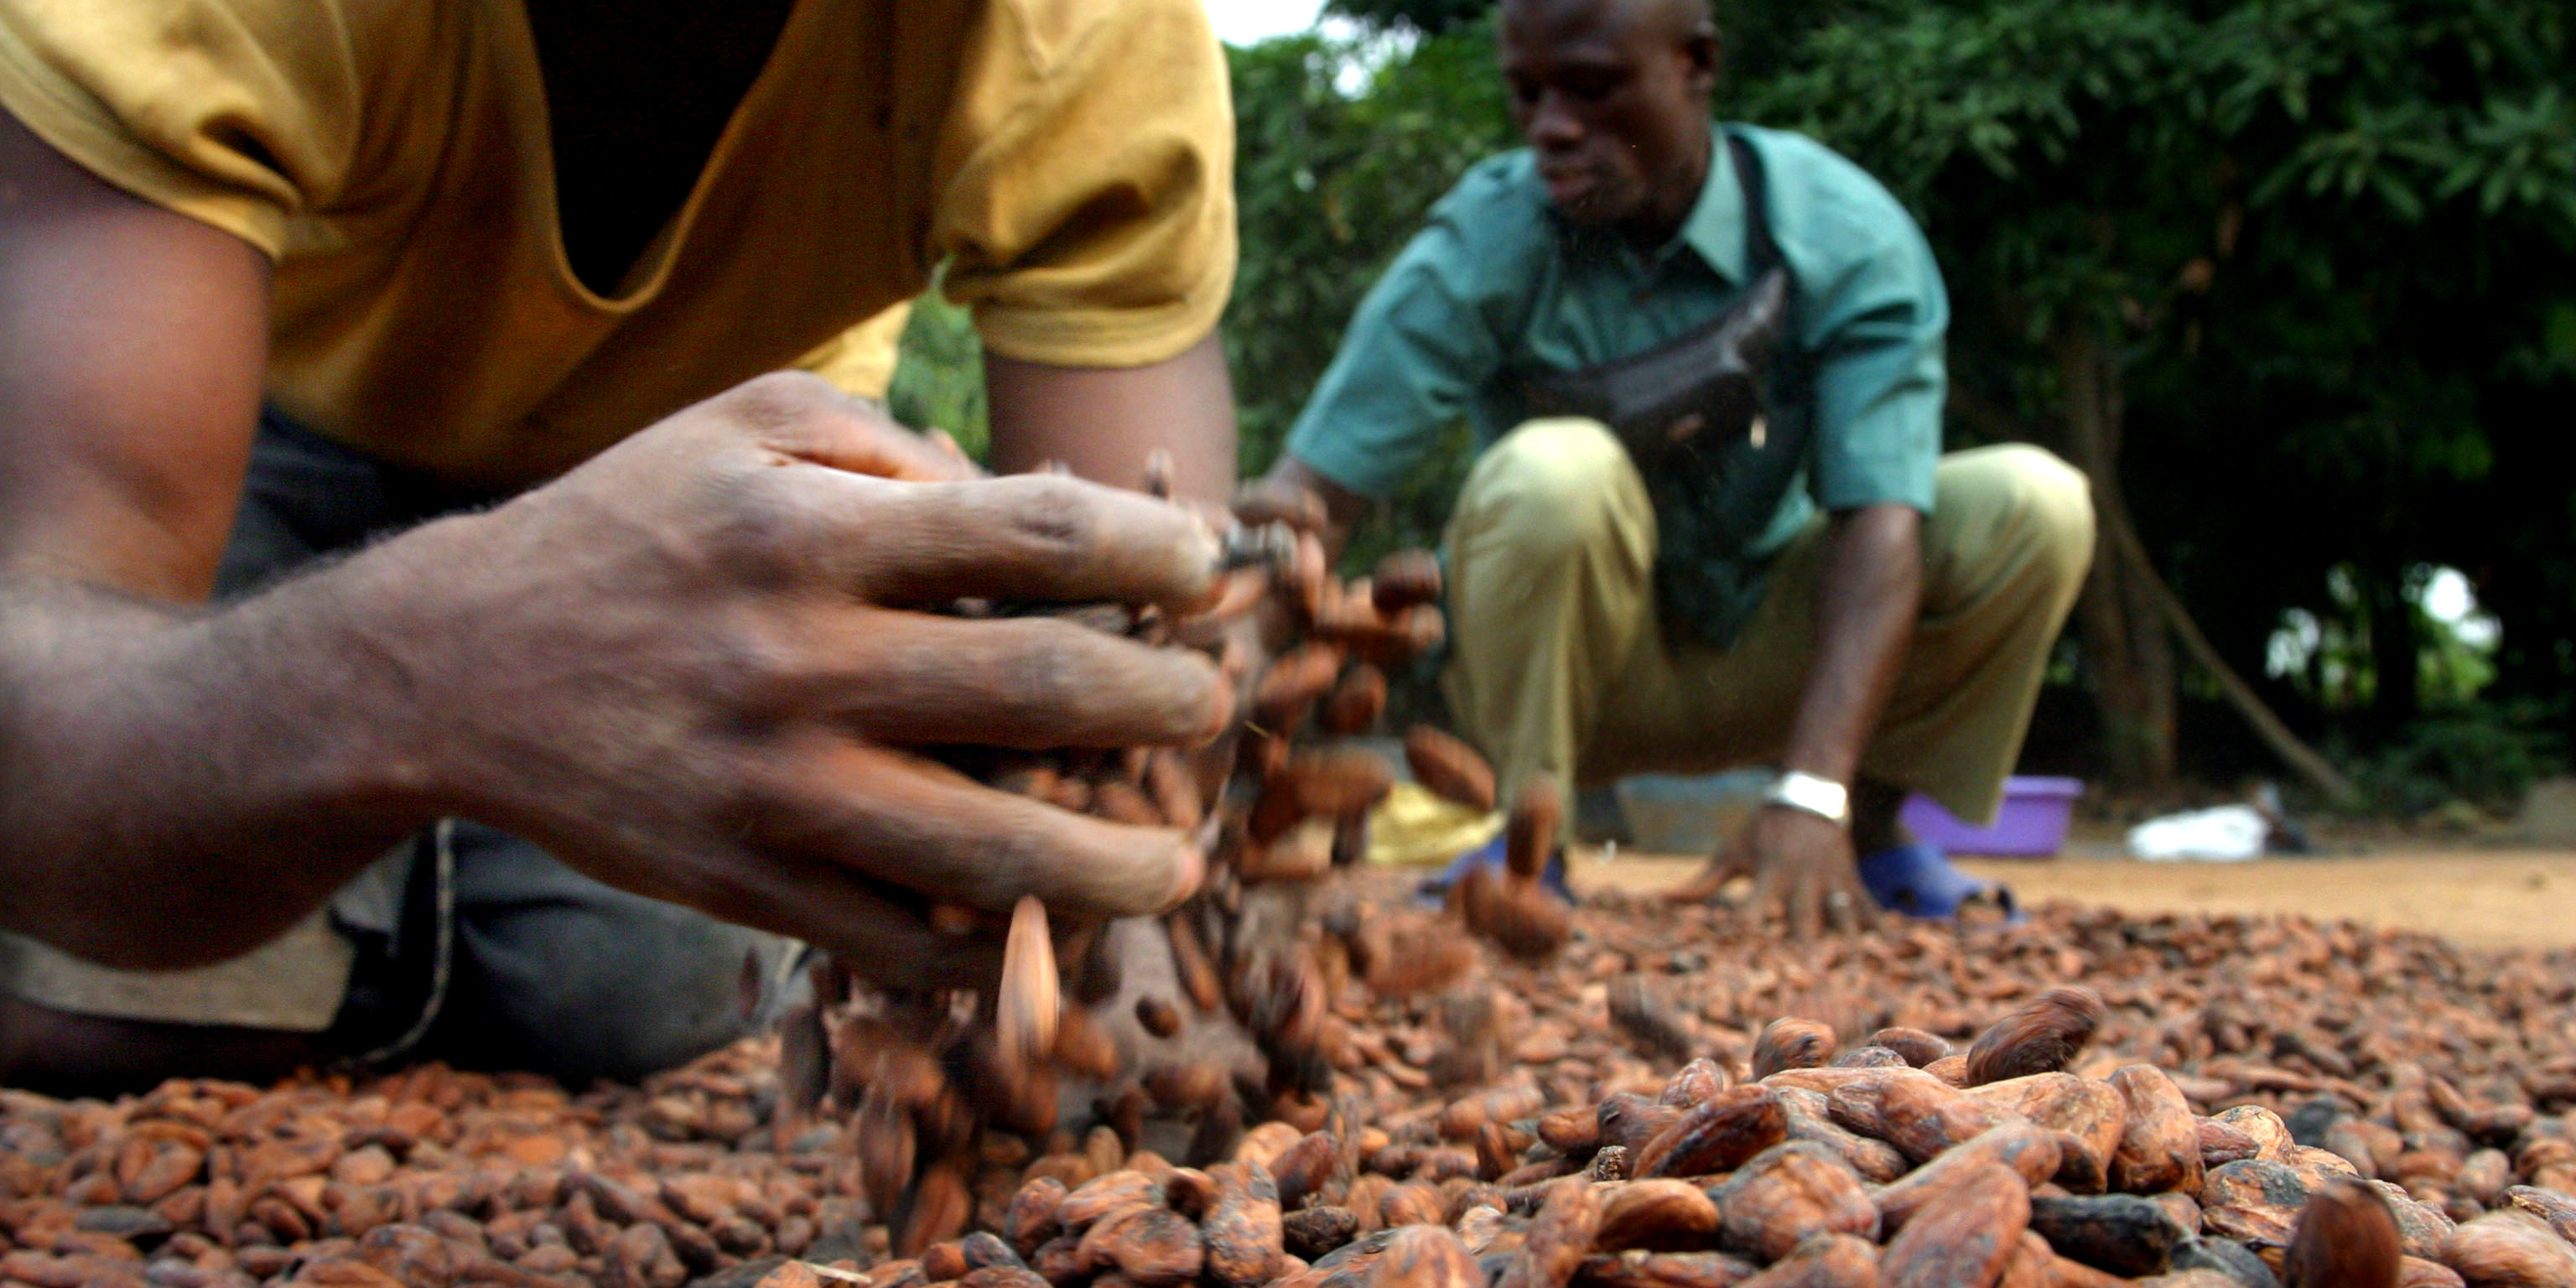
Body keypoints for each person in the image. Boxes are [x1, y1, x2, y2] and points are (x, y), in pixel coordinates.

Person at [0, 0, 1241, 1090]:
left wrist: (1121, 925)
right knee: (116, 1019)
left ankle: (411, 907)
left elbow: (1149, 650)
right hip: (259, 417)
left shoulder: (1088, 32)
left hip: (729, 479)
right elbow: (39, 693)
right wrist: (430, 667)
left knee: (641, 1009)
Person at [1257, 0, 2096, 936]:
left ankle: (1864, 831)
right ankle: (1530, 847)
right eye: (1527, 96)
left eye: (1591, 87)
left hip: (1785, 650)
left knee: (2037, 502)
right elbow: (1311, 500)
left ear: (1696, 63)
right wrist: (1205, 699)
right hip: (1577, 680)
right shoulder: (1491, 236)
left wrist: (1815, 788)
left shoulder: (1838, 229)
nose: (1553, 129)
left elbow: (1880, 517)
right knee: (1553, 472)